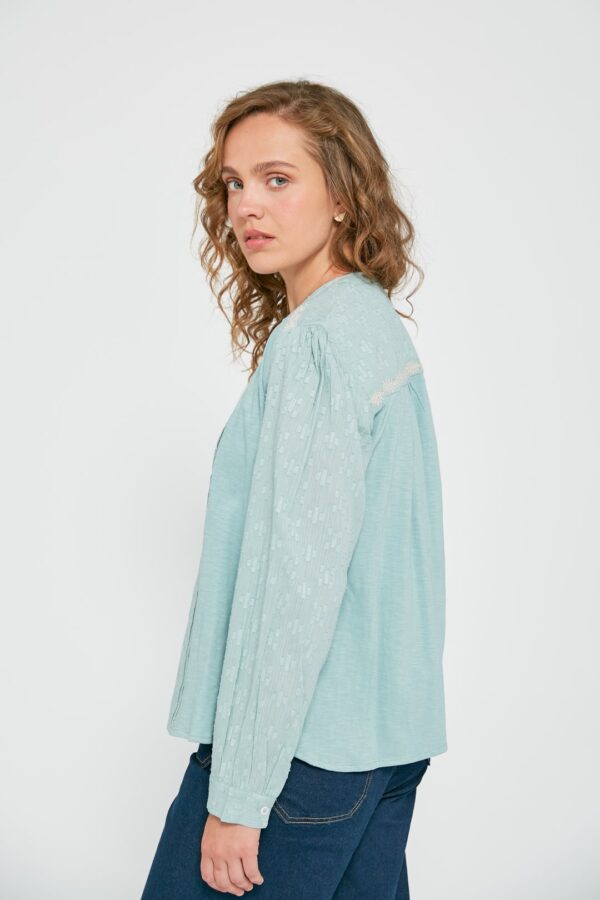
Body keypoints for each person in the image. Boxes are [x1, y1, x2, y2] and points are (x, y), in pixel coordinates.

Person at [141, 79, 447, 899]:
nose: (247, 205)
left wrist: (239, 795)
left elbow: (294, 589)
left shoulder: (319, 344)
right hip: (381, 748)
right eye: (234, 183)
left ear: (344, 195)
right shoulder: (373, 331)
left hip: (297, 760)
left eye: (278, 179)